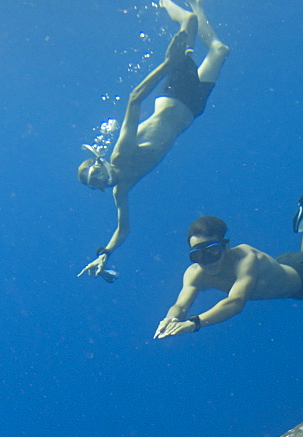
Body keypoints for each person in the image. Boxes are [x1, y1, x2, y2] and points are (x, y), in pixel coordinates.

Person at [78, 0, 229, 280]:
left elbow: (134, 100)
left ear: (100, 165)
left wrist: (168, 64)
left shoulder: (121, 155)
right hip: (193, 108)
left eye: (96, 179)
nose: (101, 186)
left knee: (190, 24)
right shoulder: (121, 189)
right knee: (220, 50)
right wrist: (105, 252)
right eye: (95, 187)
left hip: (176, 93)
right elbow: (123, 229)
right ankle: (197, 5)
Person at [154, 193, 303, 338]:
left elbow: (235, 302)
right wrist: (171, 318)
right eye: (198, 256)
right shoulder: (194, 274)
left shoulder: (244, 258)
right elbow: (180, 304)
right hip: (289, 265)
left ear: (226, 246)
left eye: (212, 252)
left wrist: (194, 324)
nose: (207, 262)